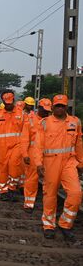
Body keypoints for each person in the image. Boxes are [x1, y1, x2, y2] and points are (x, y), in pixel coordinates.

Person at [35, 95, 83, 241]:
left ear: (66, 107)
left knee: (76, 193)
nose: (60, 108)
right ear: (53, 107)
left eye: (62, 106)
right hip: (50, 163)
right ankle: (48, 225)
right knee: (50, 195)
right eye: (57, 106)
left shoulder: (75, 122)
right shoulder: (45, 123)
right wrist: (38, 163)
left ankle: (65, 224)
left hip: (69, 162)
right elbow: (38, 145)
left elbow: (79, 143)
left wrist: (81, 163)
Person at [0, 90, 25, 201]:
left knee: (14, 166)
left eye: (10, 102)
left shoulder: (21, 114)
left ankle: (12, 188)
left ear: (13, 100)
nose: (9, 104)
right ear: (3, 102)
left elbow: (26, 130)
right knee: (3, 169)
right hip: (2, 147)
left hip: (17, 145)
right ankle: (3, 191)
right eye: (6, 102)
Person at [20, 98, 51, 213]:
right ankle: (29, 203)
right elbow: (24, 139)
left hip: (48, 154)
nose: (46, 113)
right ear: (39, 108)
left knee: (49, 179)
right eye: (44, 110)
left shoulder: (51, 121)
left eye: (48, 111)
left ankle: (47, 203)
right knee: (32, 179)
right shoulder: (30, 120)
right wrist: (25, 154)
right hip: (32, 153)